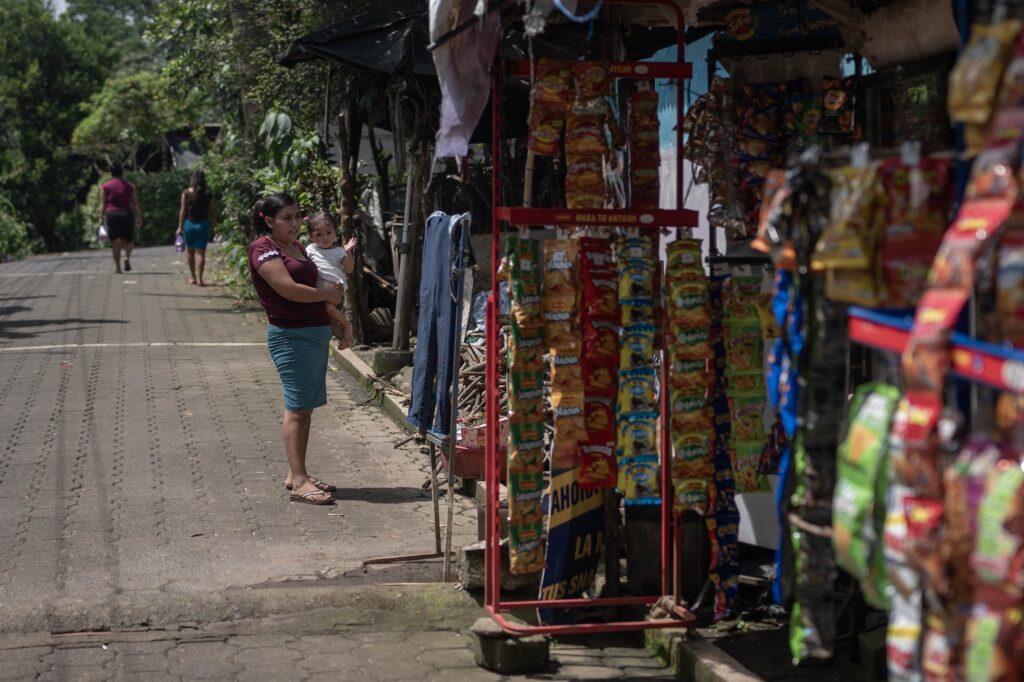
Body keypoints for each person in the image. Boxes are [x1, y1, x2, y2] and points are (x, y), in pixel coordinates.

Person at [248, 193, 344, 506]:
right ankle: (300, 480)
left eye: (297, 216)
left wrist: (339, 319)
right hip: (291, 336)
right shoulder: (263, 249)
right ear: (268, 220)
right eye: (287, 217)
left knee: (306, 407)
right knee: (297, 408)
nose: (295, 223)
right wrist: (329, 297)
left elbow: (316, 289)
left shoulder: (297, 246)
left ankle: (296, 474)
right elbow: (288, 290)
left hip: (315, 333)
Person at [303, 212, 357, 350]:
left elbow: (349, 269)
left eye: (329, 232)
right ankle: (345, 340)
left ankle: (346, 325)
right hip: (319, 286)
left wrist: (348, 252)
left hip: (334, 286)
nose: (325, 238)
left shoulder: (339, 251)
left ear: (335, 232)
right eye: (318, 235)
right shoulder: (310, 249)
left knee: (328, 308)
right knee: (329, 320)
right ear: (310, 236)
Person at [175, 170, 218, 286]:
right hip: (203, 225)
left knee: (190, 252)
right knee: (201, 254)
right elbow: (212, 213)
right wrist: (215, 226)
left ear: (192, 180)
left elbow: (182, 211)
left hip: (189, 225)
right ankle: (200, 279)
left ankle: (193, 277)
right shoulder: (208, 194)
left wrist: (180, 227)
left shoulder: (186, 193)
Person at [99, 163, 142, 273]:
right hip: (126, 214)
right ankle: (127, 257)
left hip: (112, 215)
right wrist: (138, 217)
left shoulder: (106, 186)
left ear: (111, 173)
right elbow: (135, 203)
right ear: (122, 173)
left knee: (115, 242)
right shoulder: (130, 186)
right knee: (129, 239)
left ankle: (118, 267)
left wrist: (100, 217)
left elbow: (103, 204)